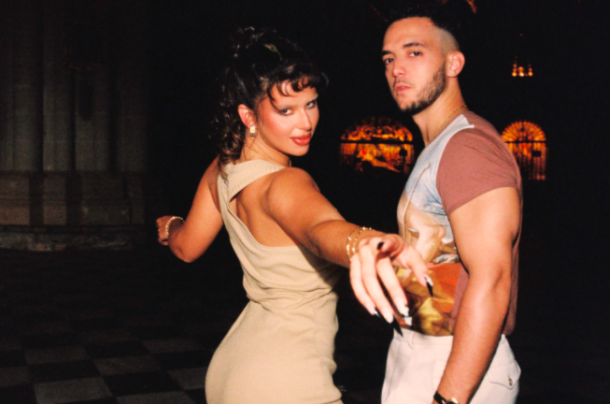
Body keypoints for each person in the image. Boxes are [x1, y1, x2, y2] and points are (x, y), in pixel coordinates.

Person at [155, 27, 428, 404]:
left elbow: (185, 248)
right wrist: (364, 243)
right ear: (247, 114)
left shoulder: (221, 169)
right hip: (289, 381)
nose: (305, 123)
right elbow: (320, 228)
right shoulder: (286, 182)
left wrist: (172, 225)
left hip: (234, 370)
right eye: (286, 110)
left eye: (311, 104)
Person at [349, 4, 523, 404]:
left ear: (453, 63)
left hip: (456, 362)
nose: (397, 69)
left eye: (414, 52)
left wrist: (448, 398)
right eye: (388, 59)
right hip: (420, 351)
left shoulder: (468, 148)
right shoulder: (440, 145)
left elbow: (492, 279)